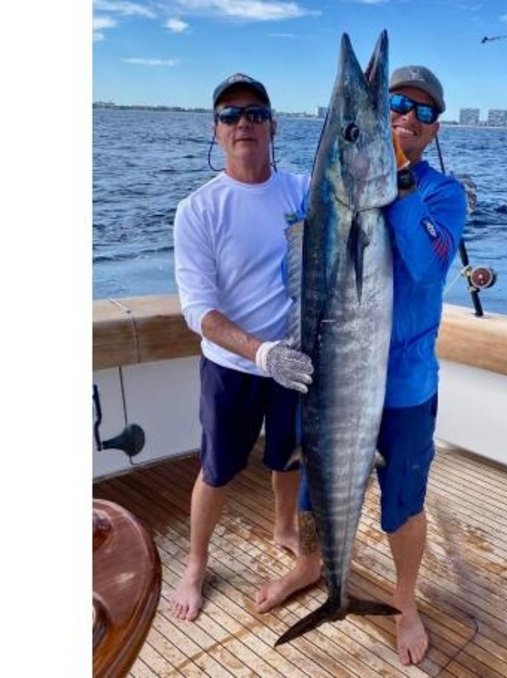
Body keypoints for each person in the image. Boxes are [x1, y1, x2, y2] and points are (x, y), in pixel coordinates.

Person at [254, 65, 467, 666]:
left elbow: (426, 266)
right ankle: (313, 568)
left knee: (403, 502)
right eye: (397, 103)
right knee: (315, 488)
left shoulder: (444, 195)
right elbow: (292, 275)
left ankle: (404, 603)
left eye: (422, 112)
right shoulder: (323, 198)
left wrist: (395, 183)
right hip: (332, 372)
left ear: (434, 129)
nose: (405, 116)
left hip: (405, 388)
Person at [169, 72, 314, 622]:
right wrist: (260, 352)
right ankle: (196, 562)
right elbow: (198, 310)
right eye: (230, 116)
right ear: (216, 131)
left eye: (254, 113)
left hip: (294, 363)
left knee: (289, 457)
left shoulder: (302, 190)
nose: (243, 123)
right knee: (217, 468)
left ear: (274, 126)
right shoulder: (199, 209)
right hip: (232, 366)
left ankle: (284, 528)